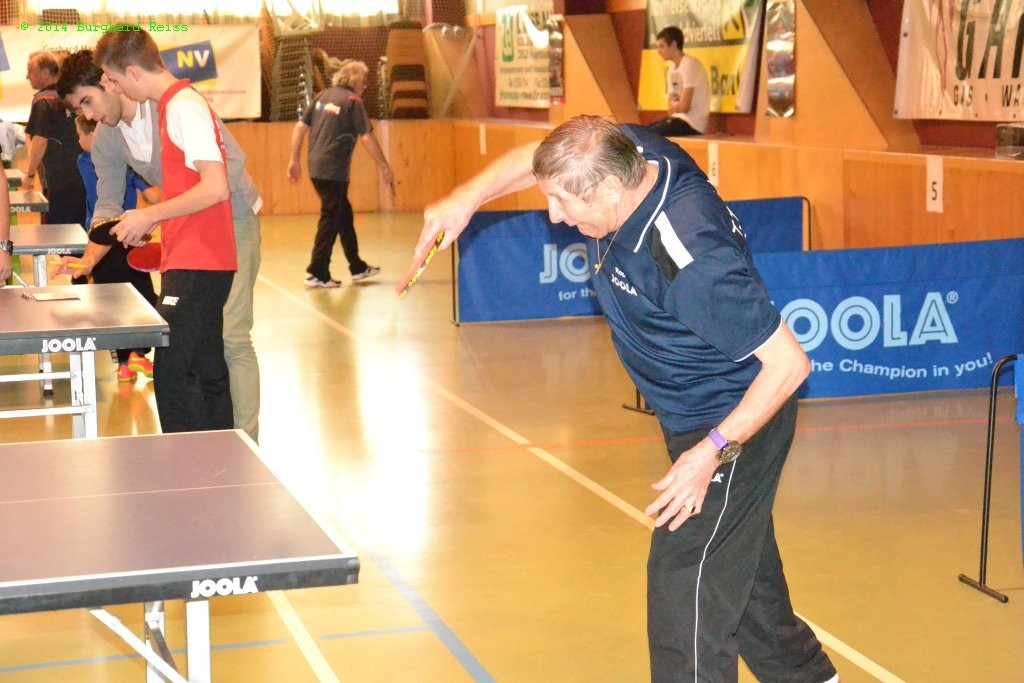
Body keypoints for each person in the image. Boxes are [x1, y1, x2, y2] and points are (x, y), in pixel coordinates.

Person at [415, 116, 839, 683]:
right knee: (744, 574)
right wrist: (467, 199)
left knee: (685, 589)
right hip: (688, 414)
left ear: (612, 189)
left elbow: (789, 365)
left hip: (735, 418)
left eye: (564, 202)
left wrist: (710, 451)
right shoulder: (626, 151)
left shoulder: (687, 256)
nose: (554, 216)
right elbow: (543, 155)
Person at [54, 48, 263, 441]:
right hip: (185, 224)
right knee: (197, 344)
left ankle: (247, 444)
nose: (88, 114)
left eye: (87, 101)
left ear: (110, 82)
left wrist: (155, 215)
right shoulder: (108, 137)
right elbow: (108, 206)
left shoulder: (174, 107)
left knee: (231, 335)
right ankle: (215, 440)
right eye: (79, 108)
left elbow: (225, 176)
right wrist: (89, 258)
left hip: (231, 215)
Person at [89, 30, 236, 434]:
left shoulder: (184, 107)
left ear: (133, 73)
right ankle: (221, 455)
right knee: (206, 368)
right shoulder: (172, 107)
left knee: (172, 369)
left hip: (201, 257)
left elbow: (216, 187)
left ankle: (183, 462)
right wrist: (153, 222)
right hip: (187, 254)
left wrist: (150, 215)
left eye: (113, 80)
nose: (112, 88)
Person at [57, 112, 160, 383]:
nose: (78, 142)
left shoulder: (84, 161)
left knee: (112, 305)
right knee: (142, 297)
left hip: (103, 239)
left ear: (94, 135)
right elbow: (152, 195)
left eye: (80, 136)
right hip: (128, 239)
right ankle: (138, 354)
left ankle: (126, 363)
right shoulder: (125, 163)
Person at [287, 59, 393, 288]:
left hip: (316, 168)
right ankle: (317, 272)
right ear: (355, 80)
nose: (365, 86)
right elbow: (367, 137)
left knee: (343, 215)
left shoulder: (322, 96)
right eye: (364, 82)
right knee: (330, 219)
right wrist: (384, 166)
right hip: (333, 171)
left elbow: (299, 128)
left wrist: (294, 160)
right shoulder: (352, 101)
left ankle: (357, 267)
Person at [24, 51, 87, 224]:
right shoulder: (72, 95)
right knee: (80, 231)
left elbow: (39, 140)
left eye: (30, 71)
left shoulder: (42, 100)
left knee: (54, 234)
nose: (27, 76)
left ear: (45, 72)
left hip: (57, 183)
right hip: (84, 178)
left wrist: (29, 174)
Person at [647, 26, 710, 138]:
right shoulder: (672, 70)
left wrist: (676, 105)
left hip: (692, 124)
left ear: (673, 45)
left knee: (647, 135)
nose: (659, 52)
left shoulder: (690, 64)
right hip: (677, 120)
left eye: (662, 46)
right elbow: (670, 108)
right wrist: (677, 105)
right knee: (642, 132)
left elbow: (685, 106)